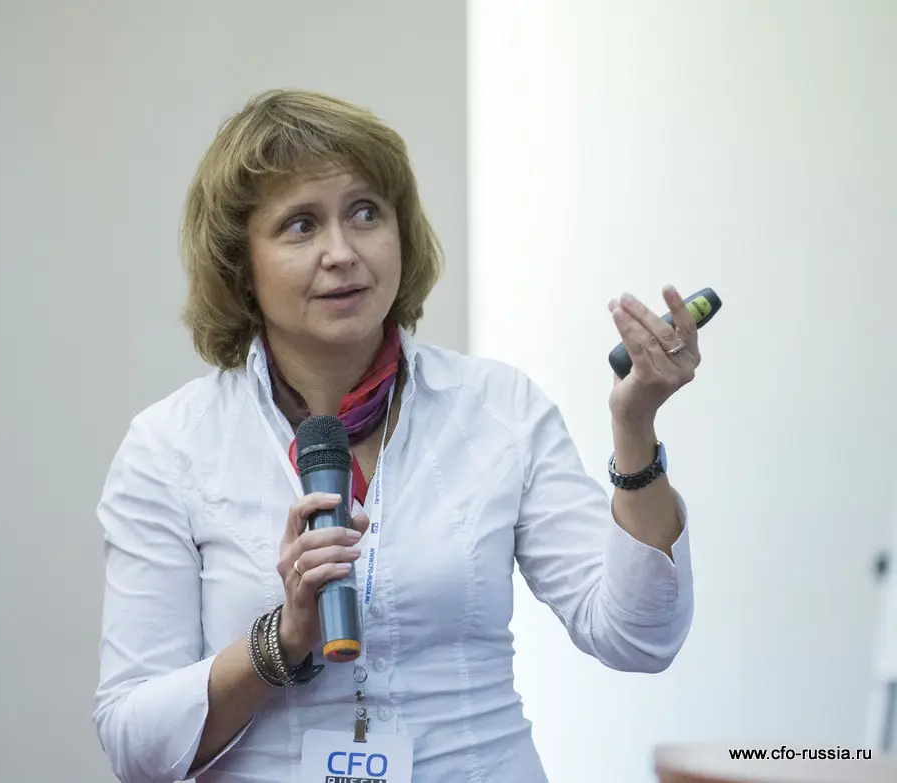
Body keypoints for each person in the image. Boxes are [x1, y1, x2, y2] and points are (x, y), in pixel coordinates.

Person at [92, 88, 698, 783]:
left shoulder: (499, 407)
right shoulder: (170, 447)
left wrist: (634, 428)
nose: (342, 252)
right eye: (300, 225)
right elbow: (135, 745)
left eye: (365, 213)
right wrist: (280, 641)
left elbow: (639, 636)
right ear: (241, 265)